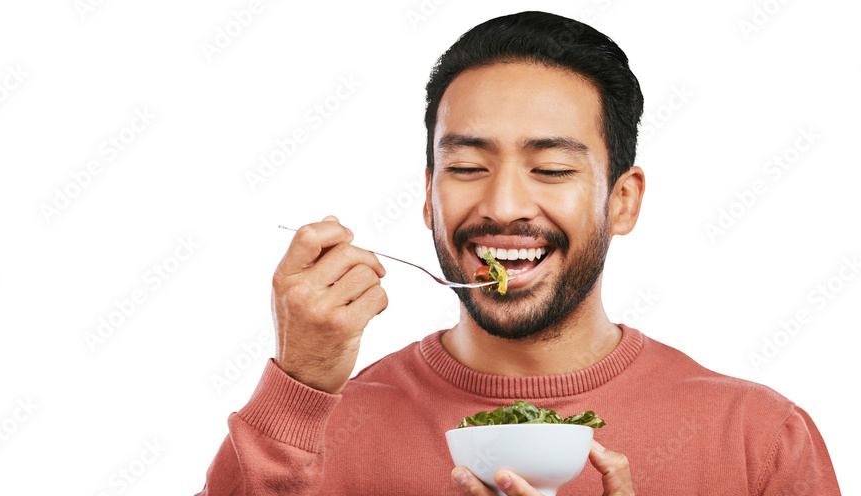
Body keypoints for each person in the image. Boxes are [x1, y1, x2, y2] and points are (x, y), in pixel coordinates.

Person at [197, 11, 840, 495]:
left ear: (623, 201)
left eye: (553, 168)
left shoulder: (758, 439)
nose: (504, 205)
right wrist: (298, 385)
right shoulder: (317, 431)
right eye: (468, 166)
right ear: (428, 197)